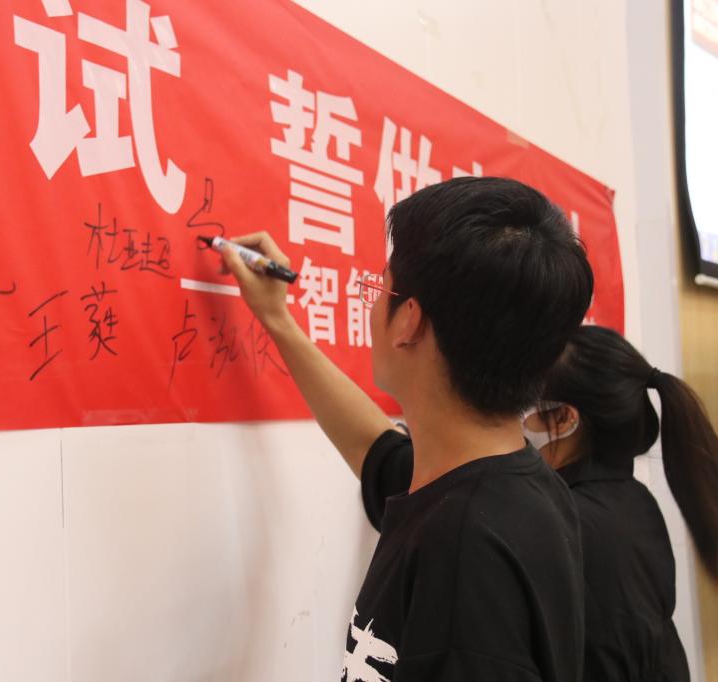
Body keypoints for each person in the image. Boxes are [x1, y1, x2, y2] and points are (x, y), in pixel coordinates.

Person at [219, 176, 594, 681]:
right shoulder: (513, 488)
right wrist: (278, 319)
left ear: (409, 321)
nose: (374, 304)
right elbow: (372, 447)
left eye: (381, 287)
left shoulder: (463, 558)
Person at [521, 325, 718, 681]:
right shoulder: (633, 500)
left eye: (525, 401)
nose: (514, 415)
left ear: (564, 418)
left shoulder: (571, 522)